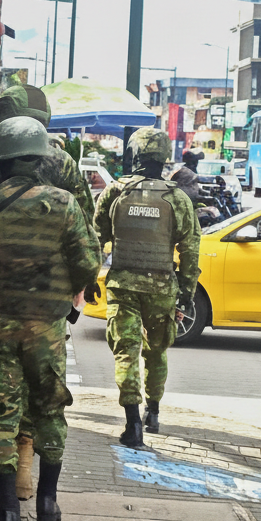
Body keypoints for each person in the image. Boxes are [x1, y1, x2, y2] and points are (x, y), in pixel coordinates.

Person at [0, 116, 101, 521]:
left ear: (0, 160)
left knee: (2, 412)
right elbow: (88, 263)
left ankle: (8, 514)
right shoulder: (64, 203)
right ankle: (47, 503)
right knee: (49, 410)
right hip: (46, 327)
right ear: (41, 159)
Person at [94, 127, 200, 449]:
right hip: (161, 288)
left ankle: (133, 423)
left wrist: (87, 278)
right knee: (156, 352)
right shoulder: (177, 198)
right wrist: (186, 292)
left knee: (126, 351)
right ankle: (152, 412)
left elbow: (95, 239)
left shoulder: (115, 192)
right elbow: (190, 250)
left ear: (135, 154)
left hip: (122, 287)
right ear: (164, 157)